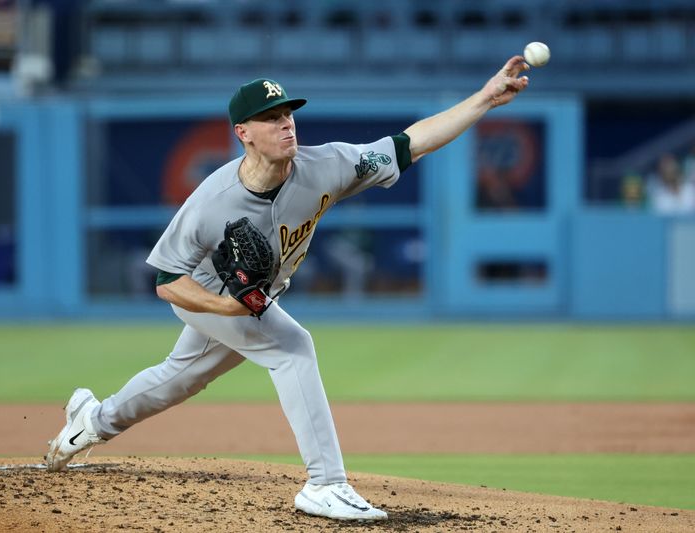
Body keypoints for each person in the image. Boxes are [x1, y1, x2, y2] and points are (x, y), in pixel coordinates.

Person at [45, 56, 530, 521]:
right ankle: (325, 484)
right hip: (214, 293)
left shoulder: (328, 165)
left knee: (182, 377)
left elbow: (411, 144)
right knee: (293, 346)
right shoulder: (211, 202)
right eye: (270, 118)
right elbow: (168, 282)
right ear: (244, 134)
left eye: (288, 114)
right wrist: (225, 307)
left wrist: (485, 98)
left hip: (252, 297)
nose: (286, 124)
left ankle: (92, 420)